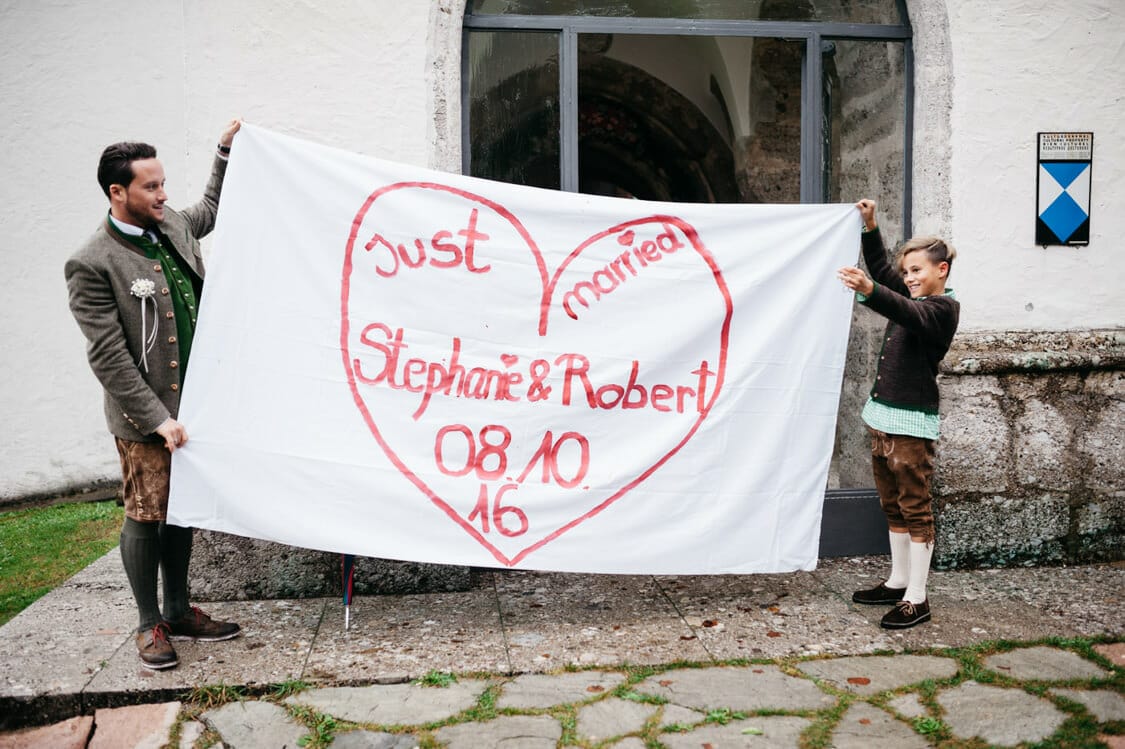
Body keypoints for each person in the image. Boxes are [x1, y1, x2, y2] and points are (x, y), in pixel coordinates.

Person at [65, 119, 243, 669]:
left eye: (164, 184)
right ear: (118, 192)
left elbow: (210, 207)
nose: (163, 195)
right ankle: (149, 625)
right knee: (146, 514)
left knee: (181, 511)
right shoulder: (92, 261)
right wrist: (154, 417)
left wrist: (225, 152)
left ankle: (180, 609)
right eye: (151, 187)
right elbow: (108, 356)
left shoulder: (175, 225)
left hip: (197, 405)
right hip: (146, 418)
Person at [836, 198, 960, 630]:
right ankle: (897, 580)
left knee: (915, 507)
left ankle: (917, 598)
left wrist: (871, 290)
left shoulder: (942, 309)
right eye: (906, 272)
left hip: (910, 426)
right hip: (884, 421)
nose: (908, 278)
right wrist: (870, 227)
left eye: (917, 271)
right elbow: (885, 277)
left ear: (940, 270)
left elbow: (903, 307)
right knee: (893, 505)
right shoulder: (909, 293)